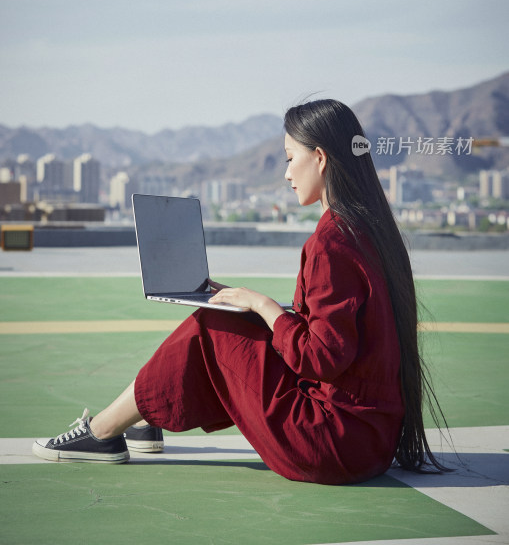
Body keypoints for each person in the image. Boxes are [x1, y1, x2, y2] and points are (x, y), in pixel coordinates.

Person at [33, 99, 446, 484]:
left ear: (319, 158)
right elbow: (338, 336)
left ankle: (104, 431)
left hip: (332, 444)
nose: (286, 174)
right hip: (371, 441)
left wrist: (264, 305)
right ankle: (143, 417)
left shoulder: (330, 243)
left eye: (290, 159)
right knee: (232, 318)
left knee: (210, 323)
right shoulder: (371, 233)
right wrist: (251, 306)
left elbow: (320, 357)